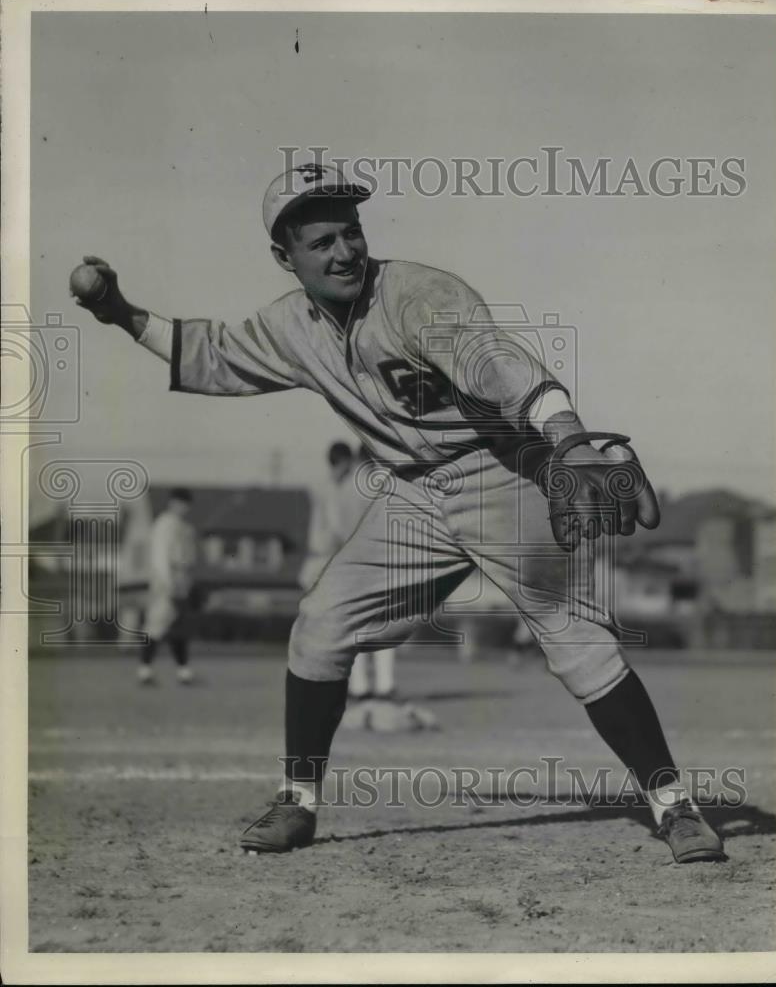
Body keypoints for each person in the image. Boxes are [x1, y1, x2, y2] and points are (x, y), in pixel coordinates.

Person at [72, 161, 725, 864]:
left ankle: (672, 806)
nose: (344, 251)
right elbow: (213, 353)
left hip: (504, 474)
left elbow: (493, 363)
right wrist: (118, 312)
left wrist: (565, 435)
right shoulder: (291, 325)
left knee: (577, 643)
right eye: (320, 242)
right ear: (283, 257)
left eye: (350, 232)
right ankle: (298, 804)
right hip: (413, 494)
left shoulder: (417, 295)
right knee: (320, 625)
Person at [300, 441, 397, 702]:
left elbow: (337, 531)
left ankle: (358, 686)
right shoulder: (380, 485)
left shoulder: (341, 488)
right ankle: (384, 685)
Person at [138, 487, 198, 686]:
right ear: (173, 503)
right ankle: (145, 669)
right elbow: (160, 556)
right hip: (166, 580)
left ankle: (183, 670)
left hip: (180, 579)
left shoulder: (183, 527)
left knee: (178, 627)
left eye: (187, 505)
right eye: (181, 503)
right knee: (157, 625)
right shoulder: (164, 524)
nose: (184, 508)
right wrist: (167, 583)